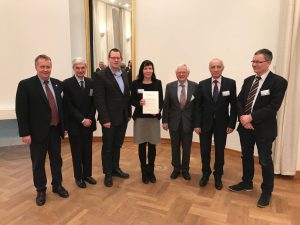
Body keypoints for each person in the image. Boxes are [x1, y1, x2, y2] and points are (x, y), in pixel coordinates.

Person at [228, 49, 288, 208]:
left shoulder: (279, 82)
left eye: (258, 62)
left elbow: (273, 107)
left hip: (264, 129)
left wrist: (251, 117)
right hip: (245, 127)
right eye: (253, 61)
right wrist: (243, 119)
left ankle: (266, 192)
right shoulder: (249, 80)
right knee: (246, 156)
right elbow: (239, 101)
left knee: (265, 161)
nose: (254, 64)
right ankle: (247, 182)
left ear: (268, 63)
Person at [15, 54, 69, 206]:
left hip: (55, 130)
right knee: (38, 162)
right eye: (42, 67)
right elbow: (21, 111)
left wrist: (63, 128)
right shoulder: (26, 85)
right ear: (36, 67)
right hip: (37, 133)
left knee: (56, 160)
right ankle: (40, 189)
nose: (46, 70)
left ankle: (57, 185)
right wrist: (25, 133)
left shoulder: (58, 84)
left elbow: (61, 109)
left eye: (48, 67)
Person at [194, 58, 237, 190]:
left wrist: (231, 123)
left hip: (222, 124)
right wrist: (197, 124)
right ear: (209, 69)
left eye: (218, 66)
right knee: (205, 151)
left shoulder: (230, 83)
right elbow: (197, 106)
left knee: (219, 151)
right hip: (204, 124)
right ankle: (205, 174)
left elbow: (234, 105)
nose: (216, 69)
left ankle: (218, 176)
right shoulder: (202, 84)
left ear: (222, 68)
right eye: (213, 67)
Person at [93, 48, 132, 187]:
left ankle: (115, 169)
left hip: (123, 118)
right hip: (109, 119)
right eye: (113, 57)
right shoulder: (101, 75)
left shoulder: (124, 74)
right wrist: (105, 119)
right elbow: (99, 99)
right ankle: (108, 173)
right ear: (109, 59)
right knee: (108, 147)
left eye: (118, 58)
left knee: (117, 145)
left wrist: (128, 114)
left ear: (121, 59)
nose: (116, 60)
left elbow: (126, 96)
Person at [63, 57, 97, 188]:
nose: (80, 70)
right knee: (77, 152)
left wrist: (89, 118)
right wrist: (82, 119)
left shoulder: (91, 83)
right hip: (75, 124)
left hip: (88, 123)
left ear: (86, 68)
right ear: (73, 68)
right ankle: (78, 177)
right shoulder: (66, 84)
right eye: (78, 68)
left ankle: (87, 175)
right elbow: (68, 105)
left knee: (87, 151)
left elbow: (94, 103)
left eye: (83, 67)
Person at [162, 64, 198, 180]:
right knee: (175, 147)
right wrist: (165, 121)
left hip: (188, 122)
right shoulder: (170, 86)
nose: (181, 74)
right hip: (173, 122)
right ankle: (176, 168)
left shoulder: (195, 86)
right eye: (179, 72)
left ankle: (185, 169)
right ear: (176, 74)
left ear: (188, 73)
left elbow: (197, 107)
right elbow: (166, 104)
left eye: (184, 72)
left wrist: (197, 124)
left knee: (187, 148)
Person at [131, 60, 163, 184]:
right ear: (142, 70)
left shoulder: (157, 83)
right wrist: (138, 103)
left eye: (150, 68)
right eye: (145, 68)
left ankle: (151, 171)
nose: (148, 71)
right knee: (142, 145)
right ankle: (144, 172)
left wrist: (159, 109)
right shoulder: (135, 83)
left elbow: (161, 100)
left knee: (152, 145)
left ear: (153, 70)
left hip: (153, 119)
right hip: (140, 119)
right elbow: (131, 100)